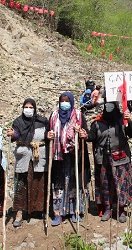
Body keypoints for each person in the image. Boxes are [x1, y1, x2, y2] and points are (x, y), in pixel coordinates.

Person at [78, 93, 132, 223]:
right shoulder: (98, 122)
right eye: (107, 104)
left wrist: (129, 121)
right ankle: (107, 208)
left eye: (111, 104)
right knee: (105, 184)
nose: (109, 106)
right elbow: (92, 136)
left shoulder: (122, 120)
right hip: (103, 159)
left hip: (121, 158)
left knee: (121, 184)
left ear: (116, 106)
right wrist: (85, 135)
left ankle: (121, 209)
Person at [46, 91, 91, 226]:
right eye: (62, 100)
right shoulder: (54, 116)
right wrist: (48, 136)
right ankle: (58, 213)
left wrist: (82, 133)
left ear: (71, 102)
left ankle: (75, 211)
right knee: (59, 184)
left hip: (74, 156)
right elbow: (47, 133)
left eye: (67, 100)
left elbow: (86, 133)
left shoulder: (79, 115)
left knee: (75, 183)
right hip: (58, 157)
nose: (64, 103)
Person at [6, 98, 48, 227]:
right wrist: (13, 135)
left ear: (35, 108)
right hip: (23, 157)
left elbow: (48, 135)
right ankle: (19, 213)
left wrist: (49, 136)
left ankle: (38, 210)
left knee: (38, 182)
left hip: (38, 157)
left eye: (31, 107)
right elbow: (17, 135)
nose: (28, 109)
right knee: (21, 184)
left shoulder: (43, 121)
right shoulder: (18, 122)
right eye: (26, 107)